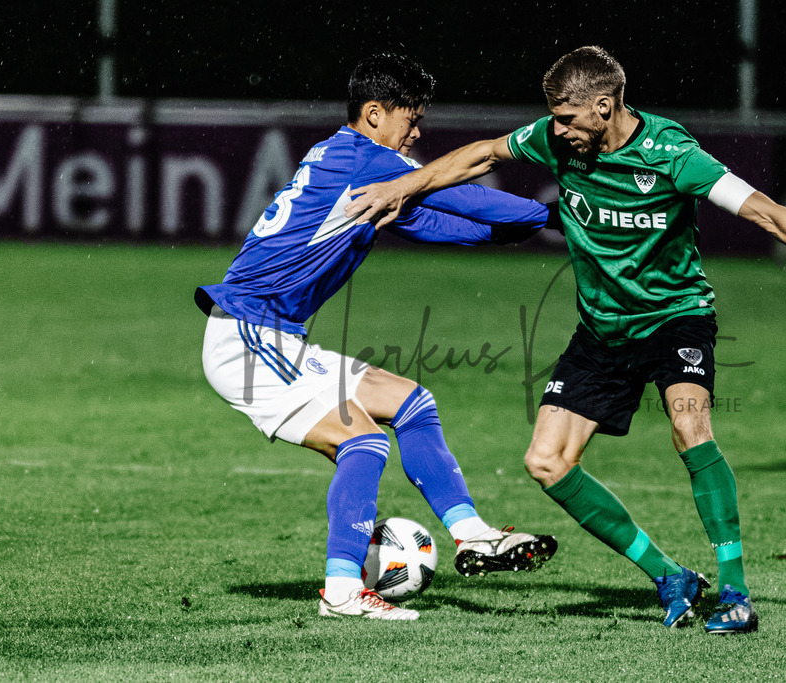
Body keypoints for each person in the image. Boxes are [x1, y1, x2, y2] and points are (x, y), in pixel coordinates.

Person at [344, 45, 786, 633]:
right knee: (545, 461)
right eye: (554, 117)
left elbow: (762, 211)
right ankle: (669, 575)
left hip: (676, 317)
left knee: (690, 427)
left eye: (569, 118)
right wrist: (406, 186)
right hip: (601, 330)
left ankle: (736, 593)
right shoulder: (555, 137)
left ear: (605, 104)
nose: (558, 129)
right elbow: (482, 156)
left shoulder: (674, 155)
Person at [195, 53, 558, 622]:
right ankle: (342, 592)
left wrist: (514, 232)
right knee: (362, 441)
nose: (418, 132)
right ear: (373, 113)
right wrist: (551, 215)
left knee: (411, 402)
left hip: (271, 337)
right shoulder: (364, 160)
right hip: (248, 340)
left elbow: (437, 224)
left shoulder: (357, 164)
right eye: (410, 118)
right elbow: (468, 197)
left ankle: (473, 535)